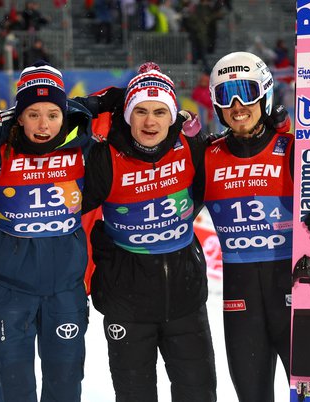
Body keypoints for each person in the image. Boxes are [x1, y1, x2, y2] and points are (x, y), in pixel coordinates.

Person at [204, 51, 310, 402]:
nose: (237, 105)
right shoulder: (207, 156)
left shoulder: (295, 148)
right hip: (240, 298)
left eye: (246, 92)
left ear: (264, 94)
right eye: (225, 95)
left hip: (293, 289)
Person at [82, 62, 217, 402]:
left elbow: (247, 169)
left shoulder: (192, 148)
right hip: (126, 303)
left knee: (198, 394)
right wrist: (97, 103)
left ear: (173, 115)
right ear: (126, 114)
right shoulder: (104, 156)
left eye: (159, 111)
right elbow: (54, 155)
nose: (150, 121)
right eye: (139, 110)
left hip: (186, 298)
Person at [0, 61, 94, 402]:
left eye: (52, 114)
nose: (43, 125)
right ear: (19, 115)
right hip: (10, 292)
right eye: (33, 114)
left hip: (66, 291)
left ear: (64, 115)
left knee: (64, 387)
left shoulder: (85, 148)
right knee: (14, 389)